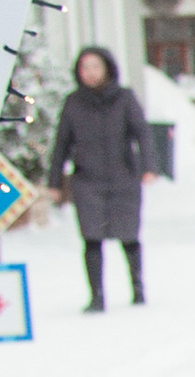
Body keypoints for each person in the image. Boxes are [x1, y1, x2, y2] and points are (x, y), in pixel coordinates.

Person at [46, 46, 150, 312]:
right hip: (88, 181)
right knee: (92, 238)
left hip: (123, 178)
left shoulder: (124, 98)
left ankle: (138, 289)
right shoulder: (73, 103)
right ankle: (97, 296)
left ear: (107, 69)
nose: (90, 73)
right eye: (85, 68)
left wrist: (149, 167)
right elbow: (61, 144)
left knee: (129, 236)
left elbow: (142, 133)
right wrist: (54, 182)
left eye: (95, 67)